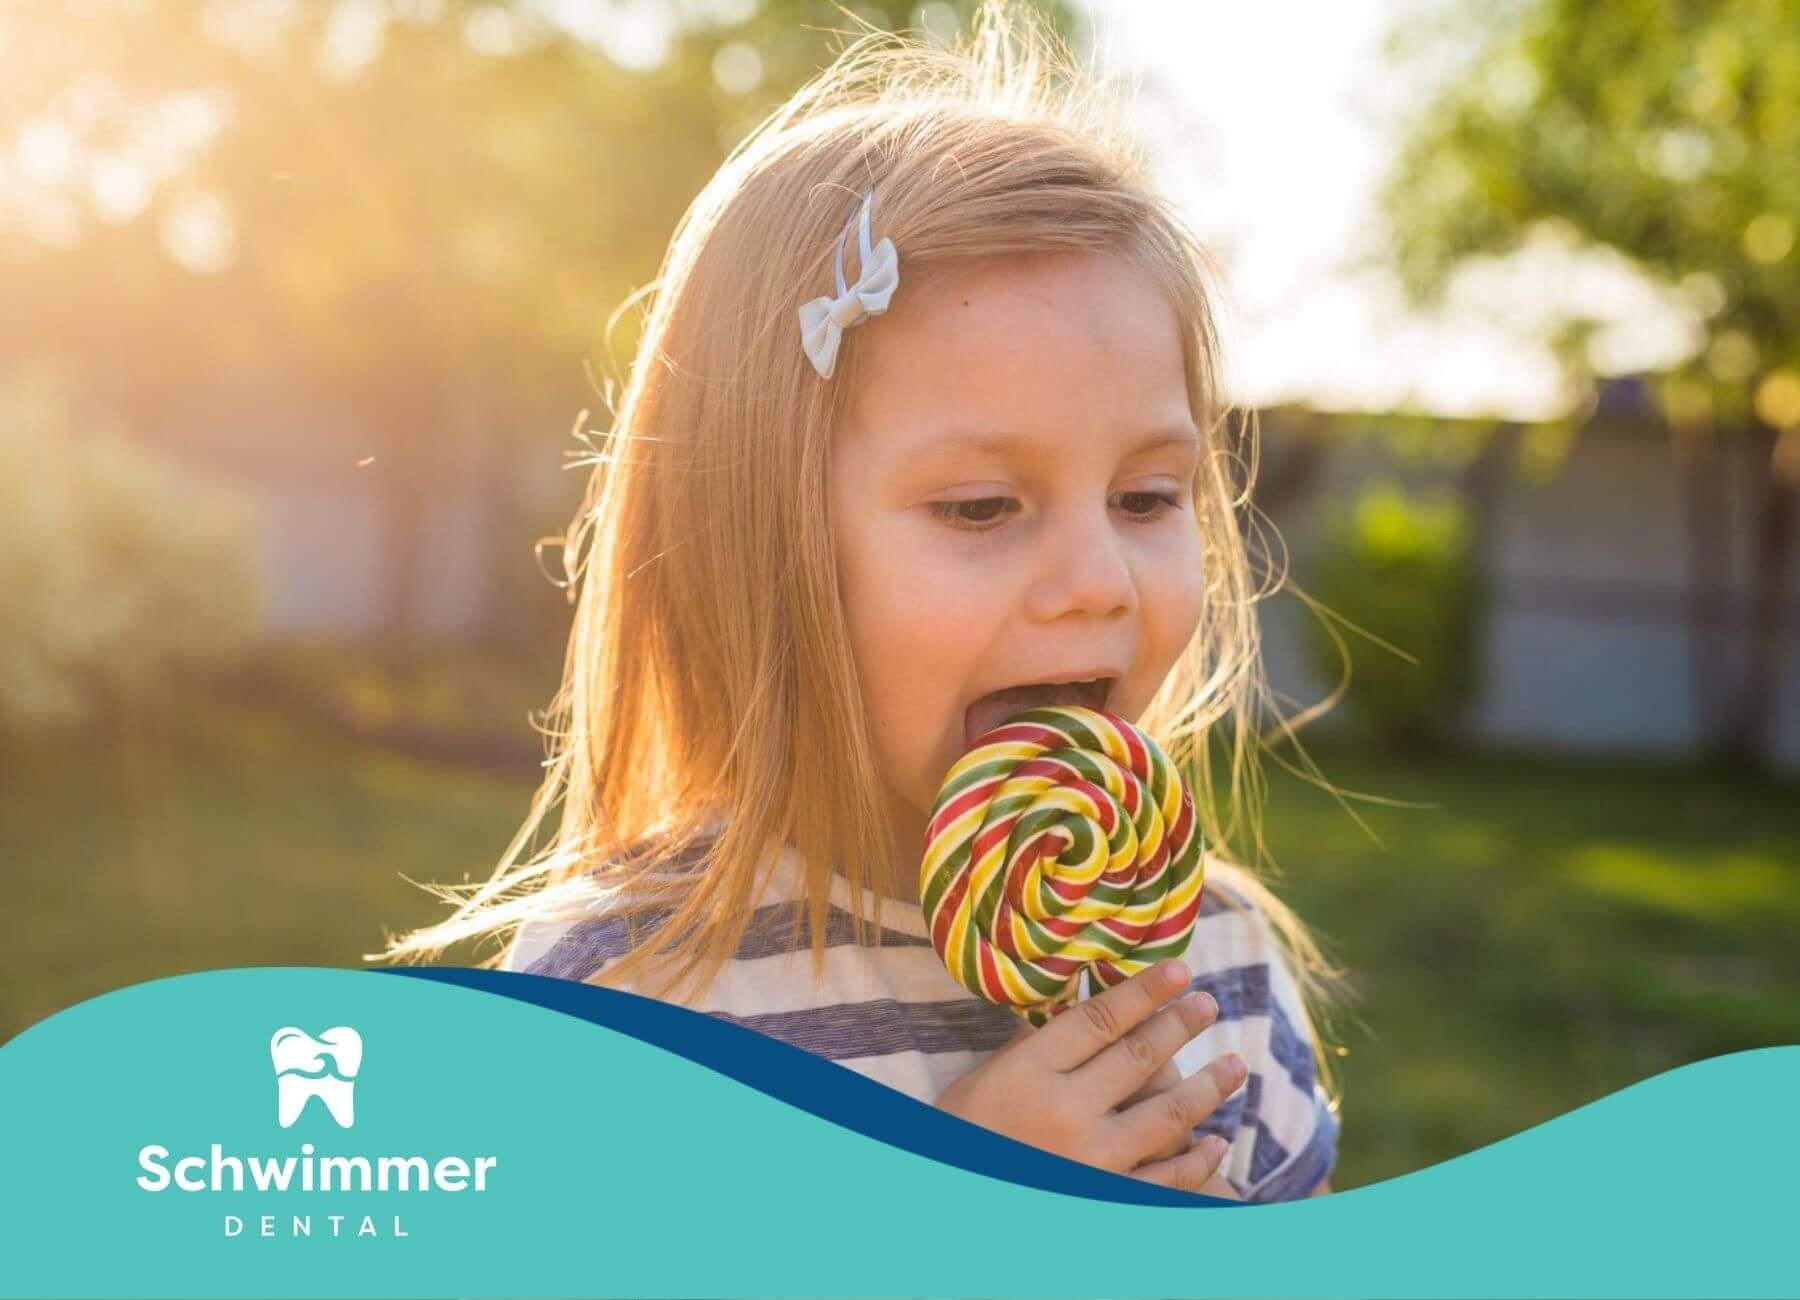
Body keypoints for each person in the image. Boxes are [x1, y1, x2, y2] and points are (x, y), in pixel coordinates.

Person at [380, 0, 1345, 1203]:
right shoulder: (629, 995)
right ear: (765, 542)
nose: (1099, 579)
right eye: (982, 507)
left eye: (1147, 497)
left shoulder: (1219, 969)